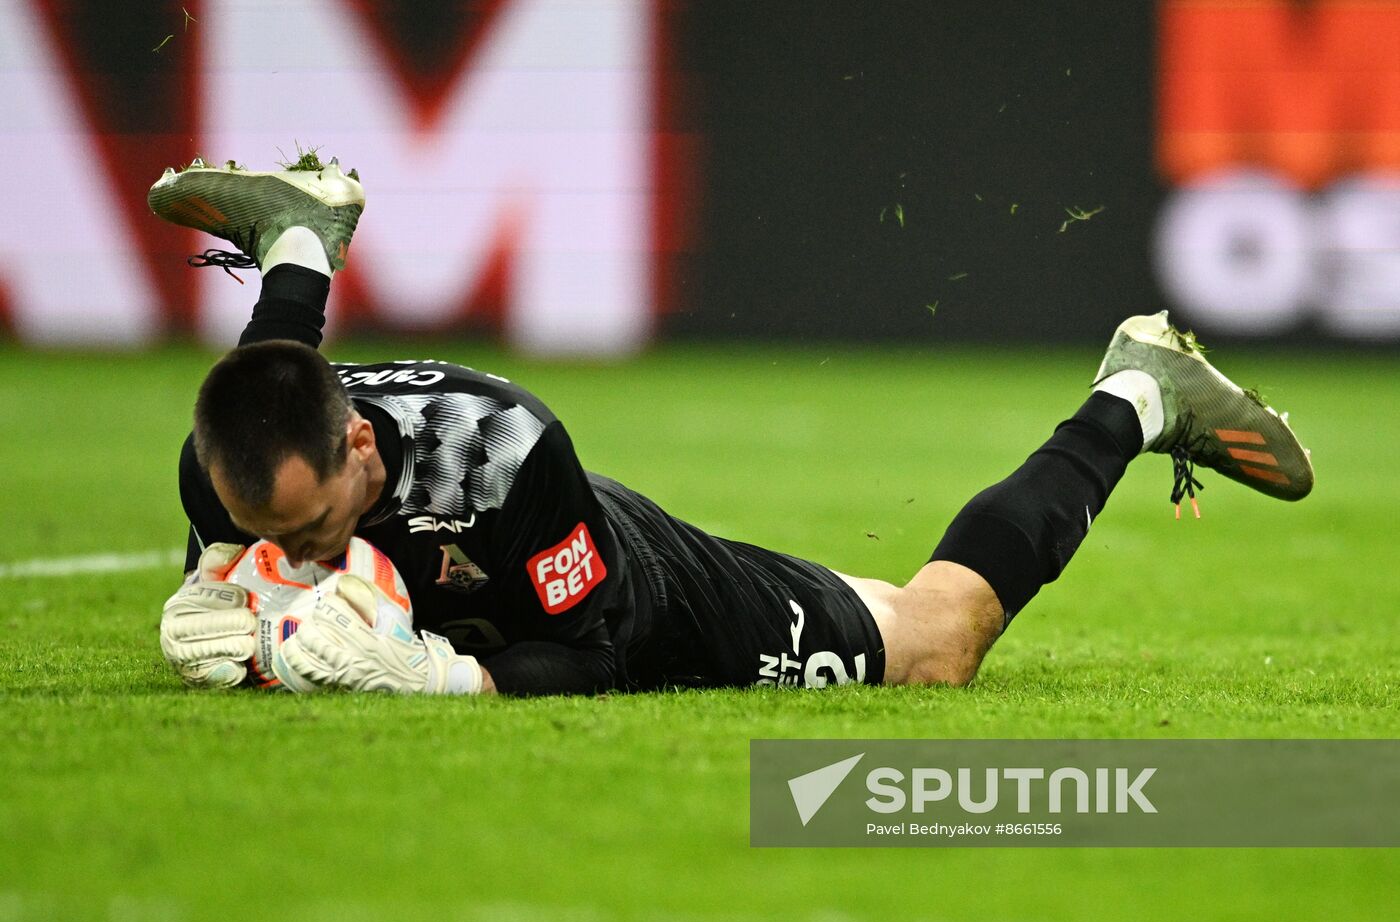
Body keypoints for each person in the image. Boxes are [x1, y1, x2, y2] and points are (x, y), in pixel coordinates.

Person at [153, 155, 1313, 696]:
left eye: (310, 532)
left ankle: (1136, 395)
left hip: (645, 588)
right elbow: (272, 392)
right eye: (273, 535)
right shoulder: (233, 466)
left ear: (362, 446)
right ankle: (297, 237)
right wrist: (230, 584)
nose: (294, 557)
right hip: (476, 566)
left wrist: (445, 682)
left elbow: (600, 652)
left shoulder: (505, 453)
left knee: (927, 651)